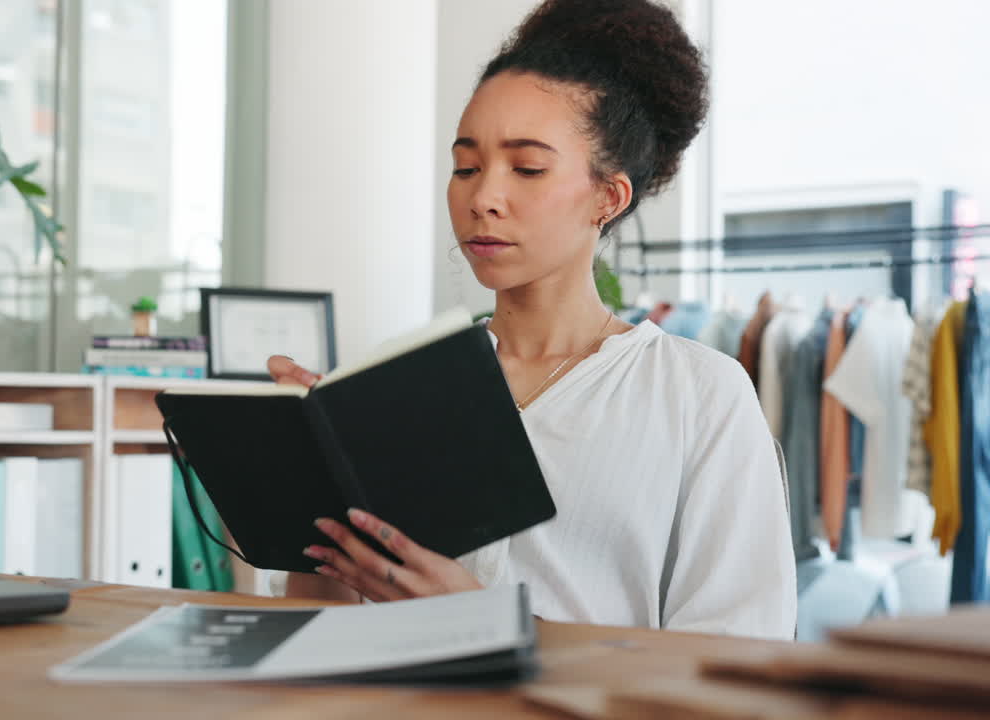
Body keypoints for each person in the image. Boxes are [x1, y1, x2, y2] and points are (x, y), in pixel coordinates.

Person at [267, 0, 796, 640]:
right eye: (466, 166)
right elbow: (315, 627)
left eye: (527, 168)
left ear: (609, 196)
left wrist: (483, 621)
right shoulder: (394, 384)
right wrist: (304, 476)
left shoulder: (700, 395)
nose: (483, 198)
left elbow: (737, 657)